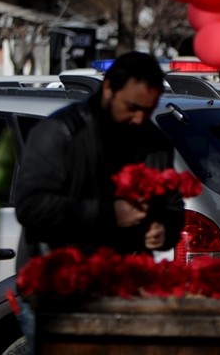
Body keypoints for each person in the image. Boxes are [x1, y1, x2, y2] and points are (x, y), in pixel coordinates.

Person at [14, 51, 184, 259]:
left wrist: (163, 230)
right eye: (132, 107)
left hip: (123, 278)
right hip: (59, 275)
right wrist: (108, 214)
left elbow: (172, 207)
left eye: (148, 110)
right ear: (108, 89)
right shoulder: (61, 132)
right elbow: (31, 207)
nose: (139, 118)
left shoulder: (155, 143)